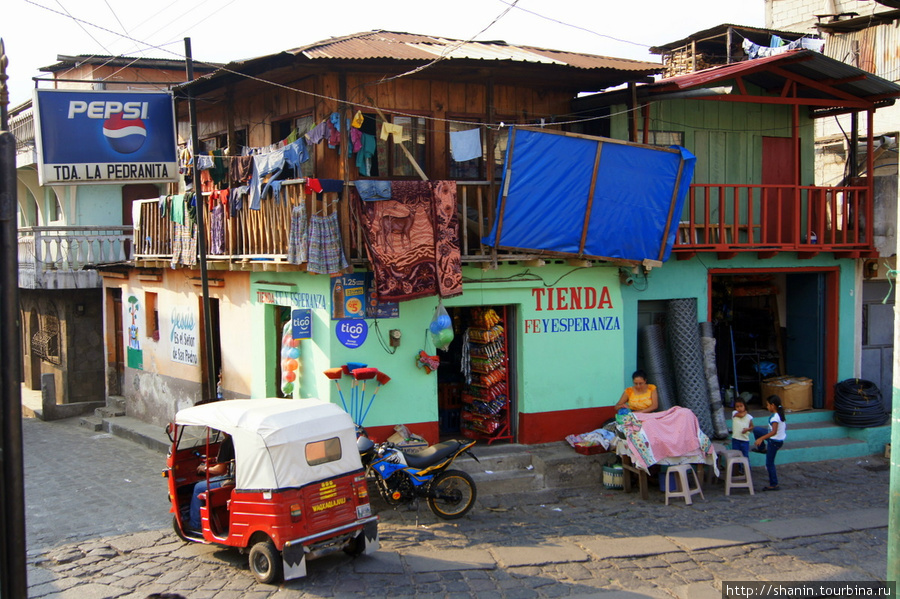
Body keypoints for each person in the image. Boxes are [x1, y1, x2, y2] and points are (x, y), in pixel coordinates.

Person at [189, 431, 235, 531]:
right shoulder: (240, 438)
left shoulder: (228, 442)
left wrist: (205, 468)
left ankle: (196, 525)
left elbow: (220, 469)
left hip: (232, 480)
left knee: (198, 487)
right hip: (240, 478)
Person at [752, 395, 787, 491]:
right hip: (775, 439)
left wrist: (761, 439)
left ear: (772, 405)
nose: (767, 407)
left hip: (774, 441)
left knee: (769, 463)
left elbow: (773, 432)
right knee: (757, 430)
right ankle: (761, 448)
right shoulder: (778, 414)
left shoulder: (775, 417)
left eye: (768, 405)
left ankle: (774, 484)